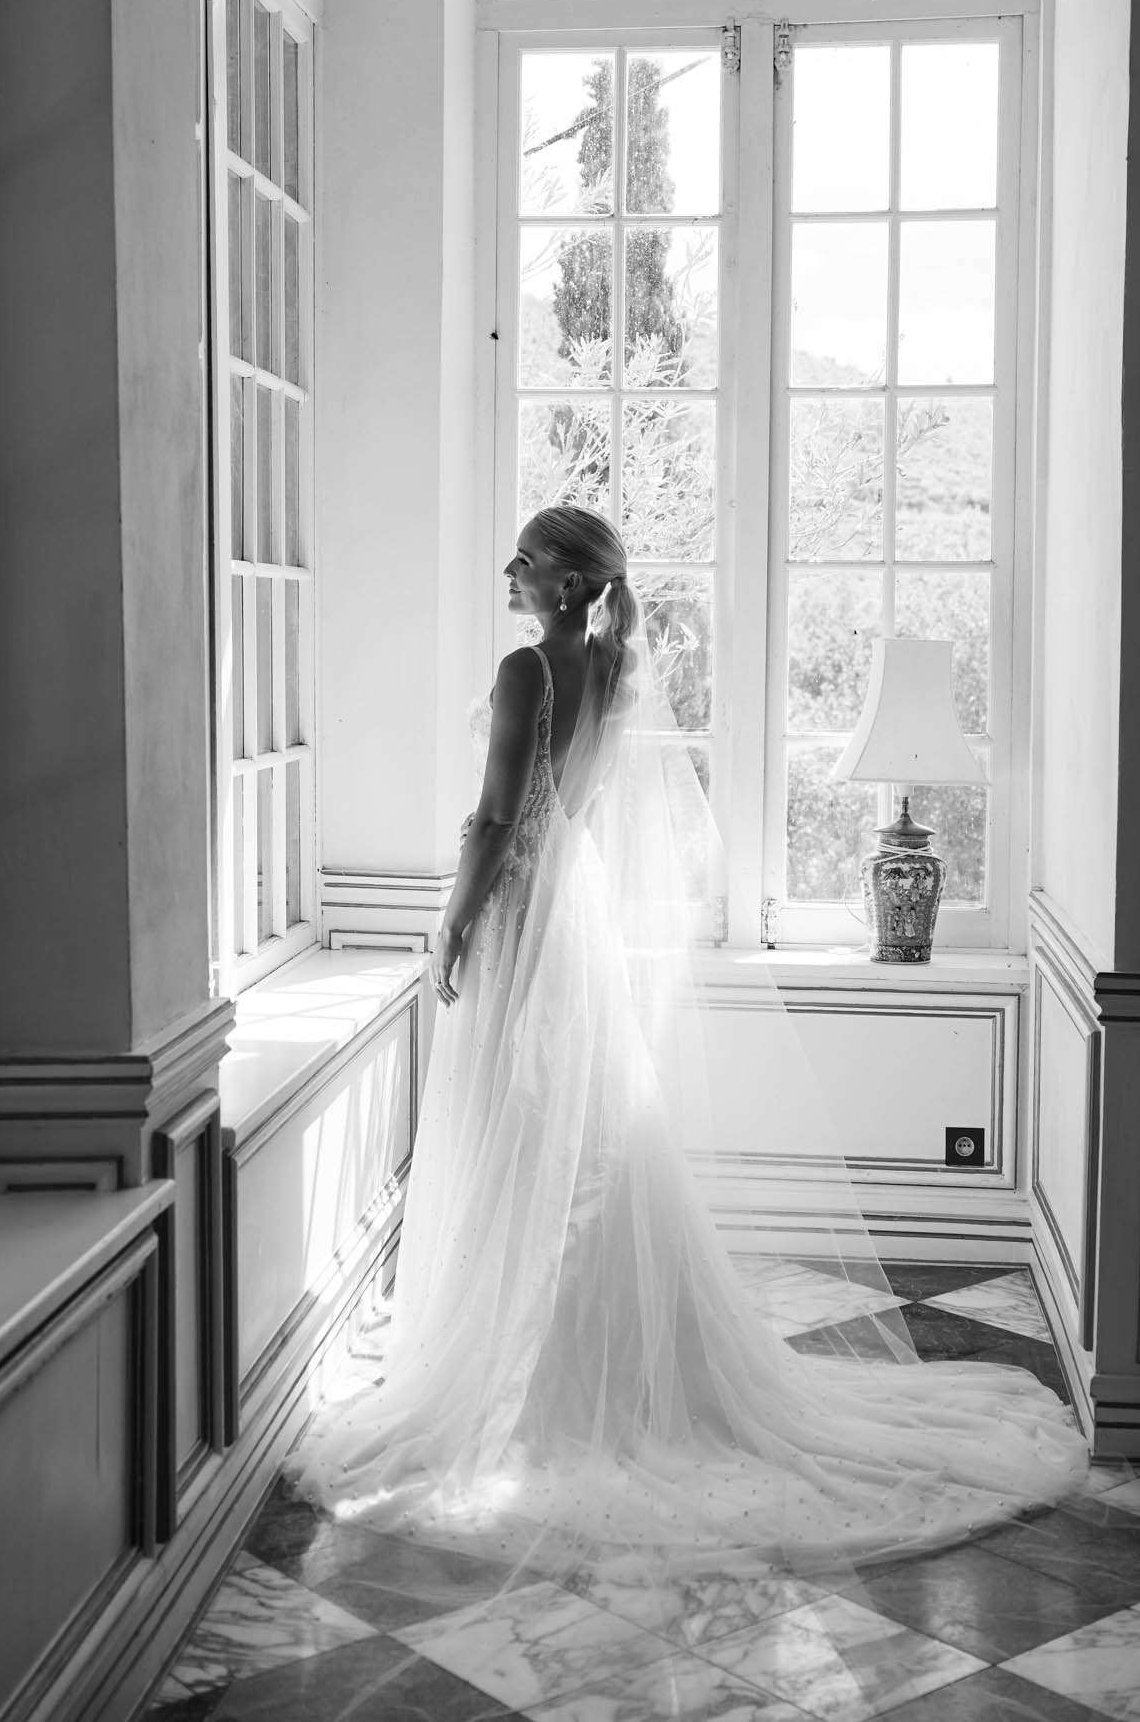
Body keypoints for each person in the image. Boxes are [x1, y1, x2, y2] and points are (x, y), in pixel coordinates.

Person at [287, 505, 1086, 1582]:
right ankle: (585, 1349)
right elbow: (565, 802)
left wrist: (454, 921)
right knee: (582, 1128)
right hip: (575, 907)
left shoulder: (530, 668)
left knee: (523, 1126)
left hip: (529, 910)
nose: (511, 568)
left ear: (568, 583)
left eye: (527, 557)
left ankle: (531, 1367)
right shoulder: (611, 671)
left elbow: (491, 817)